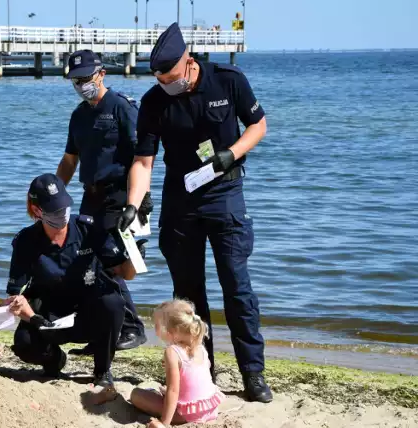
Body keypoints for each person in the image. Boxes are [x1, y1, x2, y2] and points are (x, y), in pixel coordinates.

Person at [117, 22, 272, 402]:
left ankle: (253, 373)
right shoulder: (154, 102)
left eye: (170, 76)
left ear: (189, 62)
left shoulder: (228, 80)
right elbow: (143, 160)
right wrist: (132, 205)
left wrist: (231, 153)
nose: (165, 83)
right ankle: (202, 371)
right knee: (188, 297)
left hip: (224, 193)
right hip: (180, 197)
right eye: (158, 78)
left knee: (237, 287)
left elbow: (258, 125)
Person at [6, 173, 145, 396]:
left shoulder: (89, 229)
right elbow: (15, 296)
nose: (61, 215)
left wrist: (134, 259)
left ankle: (102, 371)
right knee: (24, 343)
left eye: (64, 207)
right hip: (49, 317)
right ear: (36, 210)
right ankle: (54, 361)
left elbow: (125, 275)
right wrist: (31, 316)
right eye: (54, 210)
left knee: (114, 303)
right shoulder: (25, 241)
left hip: (88, 312)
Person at [56, 49, 150, 354]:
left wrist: (139, 202)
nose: (81, 84)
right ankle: (102, 332)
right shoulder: (78, 116)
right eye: (75, 81)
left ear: (101, 75)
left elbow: (143, 159)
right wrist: (54, 192)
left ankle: (132, 328)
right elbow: (70, 160)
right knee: (86, 264)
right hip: (89, 197)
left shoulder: (122, 108)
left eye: (85, 78)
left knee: (112, 264)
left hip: (121, 198)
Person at [130, 299, 225, 427]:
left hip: (186, 415)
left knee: (136, 394)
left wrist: (165, 422)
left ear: (171, 331)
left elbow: (173, 391)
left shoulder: (172, 352)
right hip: (210, 409)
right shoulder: (200, 346)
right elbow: (197, 377)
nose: (154, 328)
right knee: (161, 391)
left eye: (156, 325)